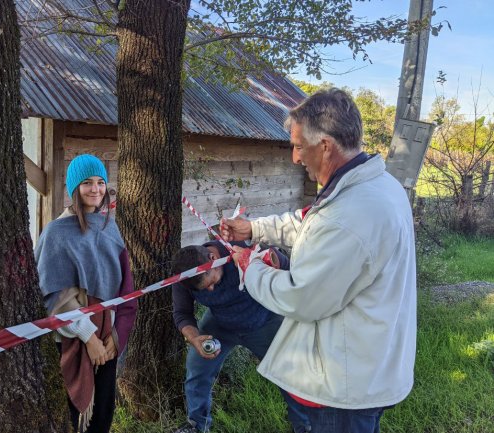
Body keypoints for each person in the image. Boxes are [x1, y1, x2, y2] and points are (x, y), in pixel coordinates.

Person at [221, 88, 417, 433]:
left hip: (338, 388)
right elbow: (310, 223)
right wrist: (253, 229)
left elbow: (301, 296)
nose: (295, 157)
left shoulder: (351, 214)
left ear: (325, 145)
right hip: (362, 366)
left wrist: (250, 266)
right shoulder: (372, 187)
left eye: (299, 146)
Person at [35, 154, 137, 433]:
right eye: (87, 183)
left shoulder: (109, 227)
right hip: (74, 339)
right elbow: (55, 297)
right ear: (74, 189)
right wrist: (88, 337)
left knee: (102, 414)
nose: (96, 189)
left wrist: (114, 338)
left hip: (107, 341)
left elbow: (125, 290)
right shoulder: (56, 233)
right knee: (71, 418)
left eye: (101, 182)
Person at [171, 241, 310, 433]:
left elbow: (289, 269)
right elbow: (182, 314)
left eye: (211, 282)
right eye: (203, 290)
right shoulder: (184, 277)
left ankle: (305, 425)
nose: (211, 290)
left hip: (263, 320)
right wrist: (195, 338)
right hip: (219, 324)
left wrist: (271, 258)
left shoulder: (238, 250)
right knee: (197, 369)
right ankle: (197, 425)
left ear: (213, 259)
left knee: (289, 375)